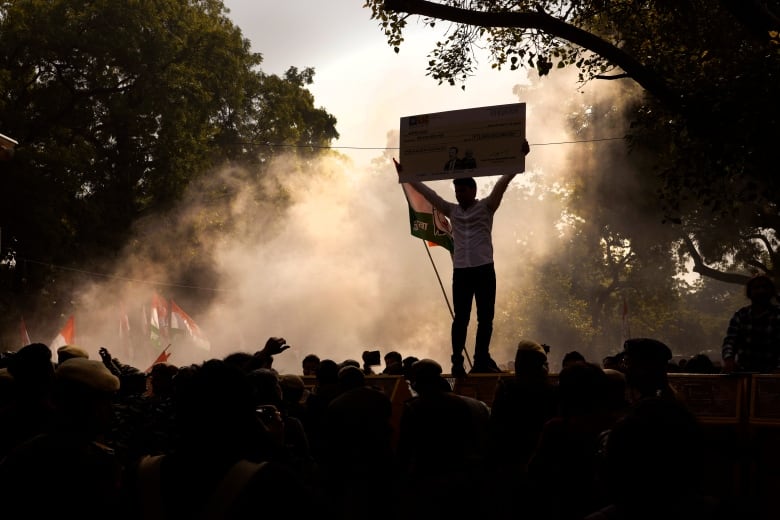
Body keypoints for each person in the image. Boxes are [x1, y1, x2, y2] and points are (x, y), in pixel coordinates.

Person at [397, 139, 531, 375]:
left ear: (473, 190)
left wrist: (521, 157)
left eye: (462, 190)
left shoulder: (488, 206)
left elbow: (503, 181)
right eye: (457, 191)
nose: (459, 194)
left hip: (484, 268)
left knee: (485, 318)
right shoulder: (452, 210)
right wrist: (406, 176)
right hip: (461, 270)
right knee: (461, 318)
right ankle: (457, 360)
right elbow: (428, 193)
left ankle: (480, 359)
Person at [721, 273, 780, 373]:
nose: (761, 290)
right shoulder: (740, 315)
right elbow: (730, 341)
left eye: (765, 287)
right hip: (743, 372)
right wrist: (729, 359)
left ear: (772, 292)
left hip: (773, 374)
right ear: (749, 293)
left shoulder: (778, 315)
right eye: (756, 287)